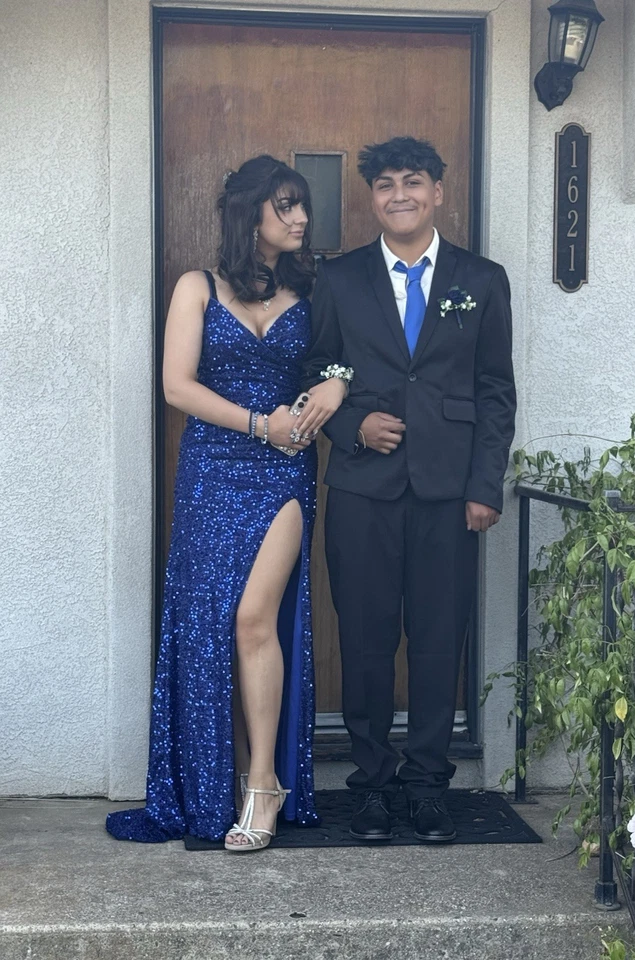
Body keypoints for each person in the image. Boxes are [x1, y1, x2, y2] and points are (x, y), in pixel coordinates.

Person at [106, 156, 346, 851]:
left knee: (253, 619)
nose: (300, 217)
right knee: (213, 626)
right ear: (251, 215)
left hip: (284, 476)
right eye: (286, 205)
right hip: (214, 472)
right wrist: (254, 422)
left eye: (301, 205)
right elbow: (176, 386)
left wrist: (333, 389)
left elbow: (344, 359)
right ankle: (231, 780)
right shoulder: (197, 288)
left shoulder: (318, 288)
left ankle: (264, 783)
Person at [297, 136, 516, 843]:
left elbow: (495, 390)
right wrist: (355, 425)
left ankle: (427, 785)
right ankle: (371, 785)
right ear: (373, 197)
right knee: (363, 641)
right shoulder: (340, 278)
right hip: (364, 489)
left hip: (451, 493)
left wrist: (486, 486)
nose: (399, 195)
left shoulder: (482, 280)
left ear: (438, 192)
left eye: (413, 182)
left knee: (435, 641)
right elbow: (316, 366)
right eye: (386, 184)